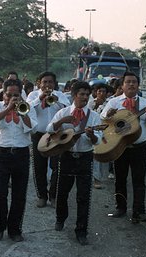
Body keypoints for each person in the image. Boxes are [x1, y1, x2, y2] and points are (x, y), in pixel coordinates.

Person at [47, 81, 102, 245]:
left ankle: (81, 230)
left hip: (85, 157)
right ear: (74, 95)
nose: (85, 97)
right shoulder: (63, 112)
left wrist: (92, 135)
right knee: (62, 192)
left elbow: (98, 140)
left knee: (83, 196)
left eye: (87, 94)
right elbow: (50, 130)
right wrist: (61, 121)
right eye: (82, 94)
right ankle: (60, 218)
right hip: (66, 156)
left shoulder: (94, 116)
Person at [101, 72, 146, 224]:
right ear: (122, 86)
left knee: (139, 181)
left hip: (139, 148)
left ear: (138, 85)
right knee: (120, 179)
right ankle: (120, 208)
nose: (131, 84)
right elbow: (102, 118)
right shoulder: (113, 102)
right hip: (120, 146)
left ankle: (138, 212)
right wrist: (108, 114)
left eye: (134, 82)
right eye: (128, 82)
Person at [0, 79, 37, 242]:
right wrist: (8, 108)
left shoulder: (27, 108)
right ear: (4, 93)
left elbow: (33, 128)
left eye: (16, 95)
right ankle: (0, 226)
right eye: (9, 95)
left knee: (19, 195)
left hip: (21, 154)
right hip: (1, 154)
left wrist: (23, 114)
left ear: (21, 94)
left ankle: (15, 230)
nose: (13, 98)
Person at [26, 72, 70, 208]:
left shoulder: (60, 95)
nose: (47, 85)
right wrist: (40, 98)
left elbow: (68, 110)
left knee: (58, 167)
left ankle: (53, 195)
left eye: (50, 82)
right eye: (44, 82)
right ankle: (42, 196)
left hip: (56, 135)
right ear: (39, 83)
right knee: (39, 167)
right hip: (39, 134)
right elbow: (26, 109)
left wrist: (57, 99)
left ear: (54, 83)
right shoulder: (33, 95)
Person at [88, 83, 109, 189]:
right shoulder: (90, 102)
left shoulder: (110, 103)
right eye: (99, 91)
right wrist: (96, 105)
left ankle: (97, 178)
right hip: (91, 131)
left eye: (104, 91)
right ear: (96, 92)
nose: (101, 93)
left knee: (99, 157)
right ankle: (93, 178)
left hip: (105, 132)